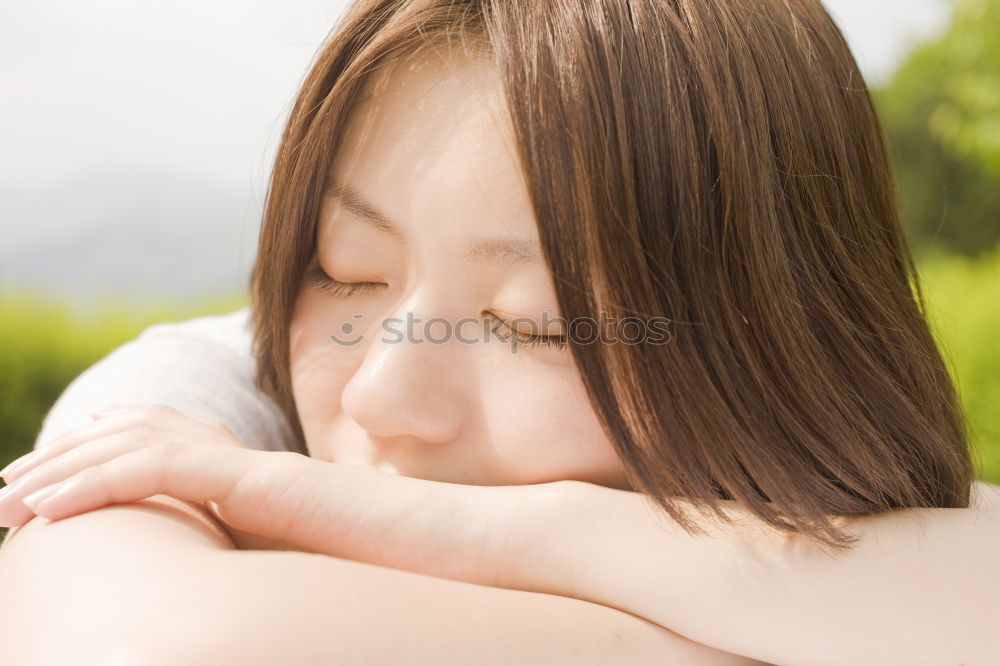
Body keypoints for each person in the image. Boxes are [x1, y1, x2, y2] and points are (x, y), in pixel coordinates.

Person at [1, 1, 998, 663]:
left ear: (776, 348)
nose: (377, 391)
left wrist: (459, 528)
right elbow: (140, 643)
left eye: (539, 327)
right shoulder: (189, 398)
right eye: (343, 271)